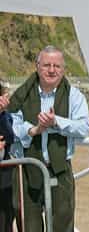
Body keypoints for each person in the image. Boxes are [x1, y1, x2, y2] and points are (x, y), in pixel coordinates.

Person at [8, 45, 89, 232]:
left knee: (63, 225)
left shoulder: (75, 96)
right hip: (26, 171)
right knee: (29, 227)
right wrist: (33, 130)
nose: (52, 70)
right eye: (46, 65)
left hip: (61, 170)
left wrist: (56, 122)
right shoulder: (21, 95)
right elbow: (10, 124)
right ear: (37, 66)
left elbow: (84, 127)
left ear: (63, 69)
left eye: (57, 66)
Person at [0, 83, 15, 232]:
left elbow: (10, 137)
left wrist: (1, 113)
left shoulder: (6, 115)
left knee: (5, 224)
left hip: (4, 180)